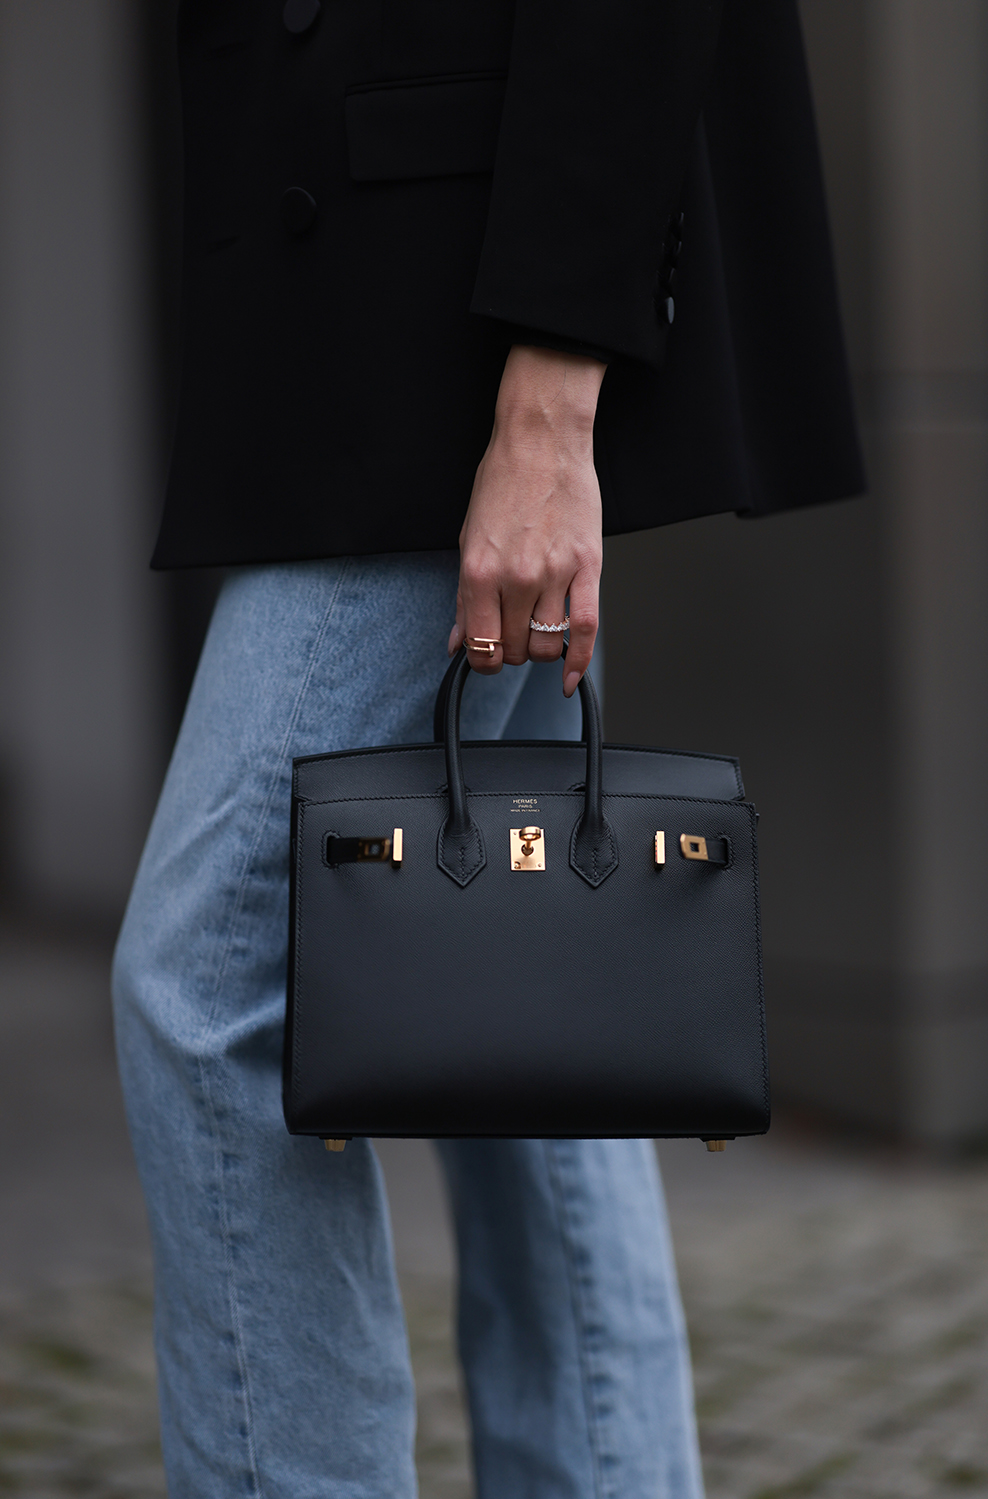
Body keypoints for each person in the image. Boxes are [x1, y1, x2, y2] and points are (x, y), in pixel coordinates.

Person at [113, 0, 864, 1493]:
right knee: (524, 991)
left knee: (207, 992)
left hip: (453, 302)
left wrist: (551, 390)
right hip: (381, 279)